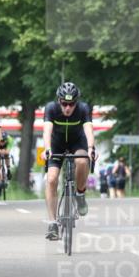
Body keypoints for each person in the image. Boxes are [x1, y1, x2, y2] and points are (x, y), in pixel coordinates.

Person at [43, 82, 96, 240]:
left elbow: (88, 130)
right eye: (64, 103)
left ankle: (80, 193)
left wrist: (91, 148)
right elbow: (47, 131)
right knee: (52, 179)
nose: (67, 108)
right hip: (56, 144)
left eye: (71, 104)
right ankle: (52, 224)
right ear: (58, 101)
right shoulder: (51, 108)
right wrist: (47, 149)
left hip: (77, 143)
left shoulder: (83, 109)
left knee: (81, 160)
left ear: (76, 102)